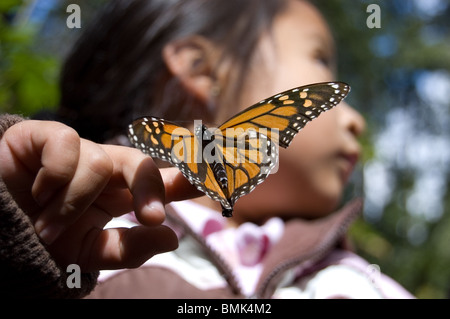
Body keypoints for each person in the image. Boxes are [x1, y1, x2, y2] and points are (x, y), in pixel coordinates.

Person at [0, 0, 414, 298]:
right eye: (321, 60)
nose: (356, 119)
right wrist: (13, 231)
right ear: (201, 71)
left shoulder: (356, 281)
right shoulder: (87, 236)